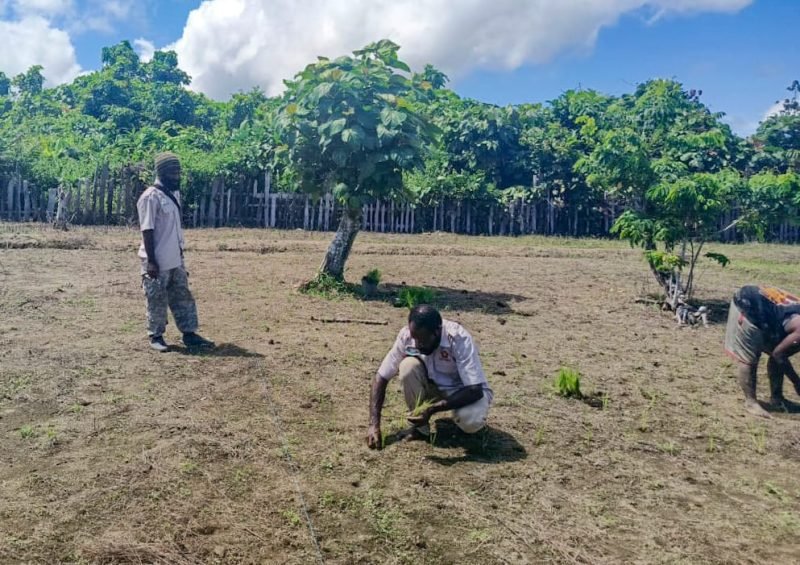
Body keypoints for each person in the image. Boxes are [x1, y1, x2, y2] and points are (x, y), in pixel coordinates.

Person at [367, 305, 493, 448]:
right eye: (416, 339)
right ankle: (420, 429)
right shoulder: (407, 336)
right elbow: (381, 377)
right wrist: (374, 425)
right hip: (432, 387)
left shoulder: (458, 338)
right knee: (408, 366)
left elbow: (474, 389)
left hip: (463, 392)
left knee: (471, 421)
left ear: (437, 330)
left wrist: (433, 409)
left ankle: (460, 426)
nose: (418, 345)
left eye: (424, 340)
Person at [137, 152, 214, 352]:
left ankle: (189, 333)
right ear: (162, 172)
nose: (177, 175)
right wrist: (151, 262)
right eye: (173, 172)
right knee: (156, 299)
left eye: (178, 171)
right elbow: (147, 230)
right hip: (157, 261)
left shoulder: (173, 195)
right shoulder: (149, 197)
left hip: (175, 259)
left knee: (183, 296)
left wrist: (180, 256)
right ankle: (156, 335)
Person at [724, 285, 800, 417]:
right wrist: (796, 382)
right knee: (750, 357)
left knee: (780, 352)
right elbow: (778, 354)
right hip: (749, 304)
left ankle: (777, 399)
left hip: (769, 310)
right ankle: (751, 402)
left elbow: (779, 354)